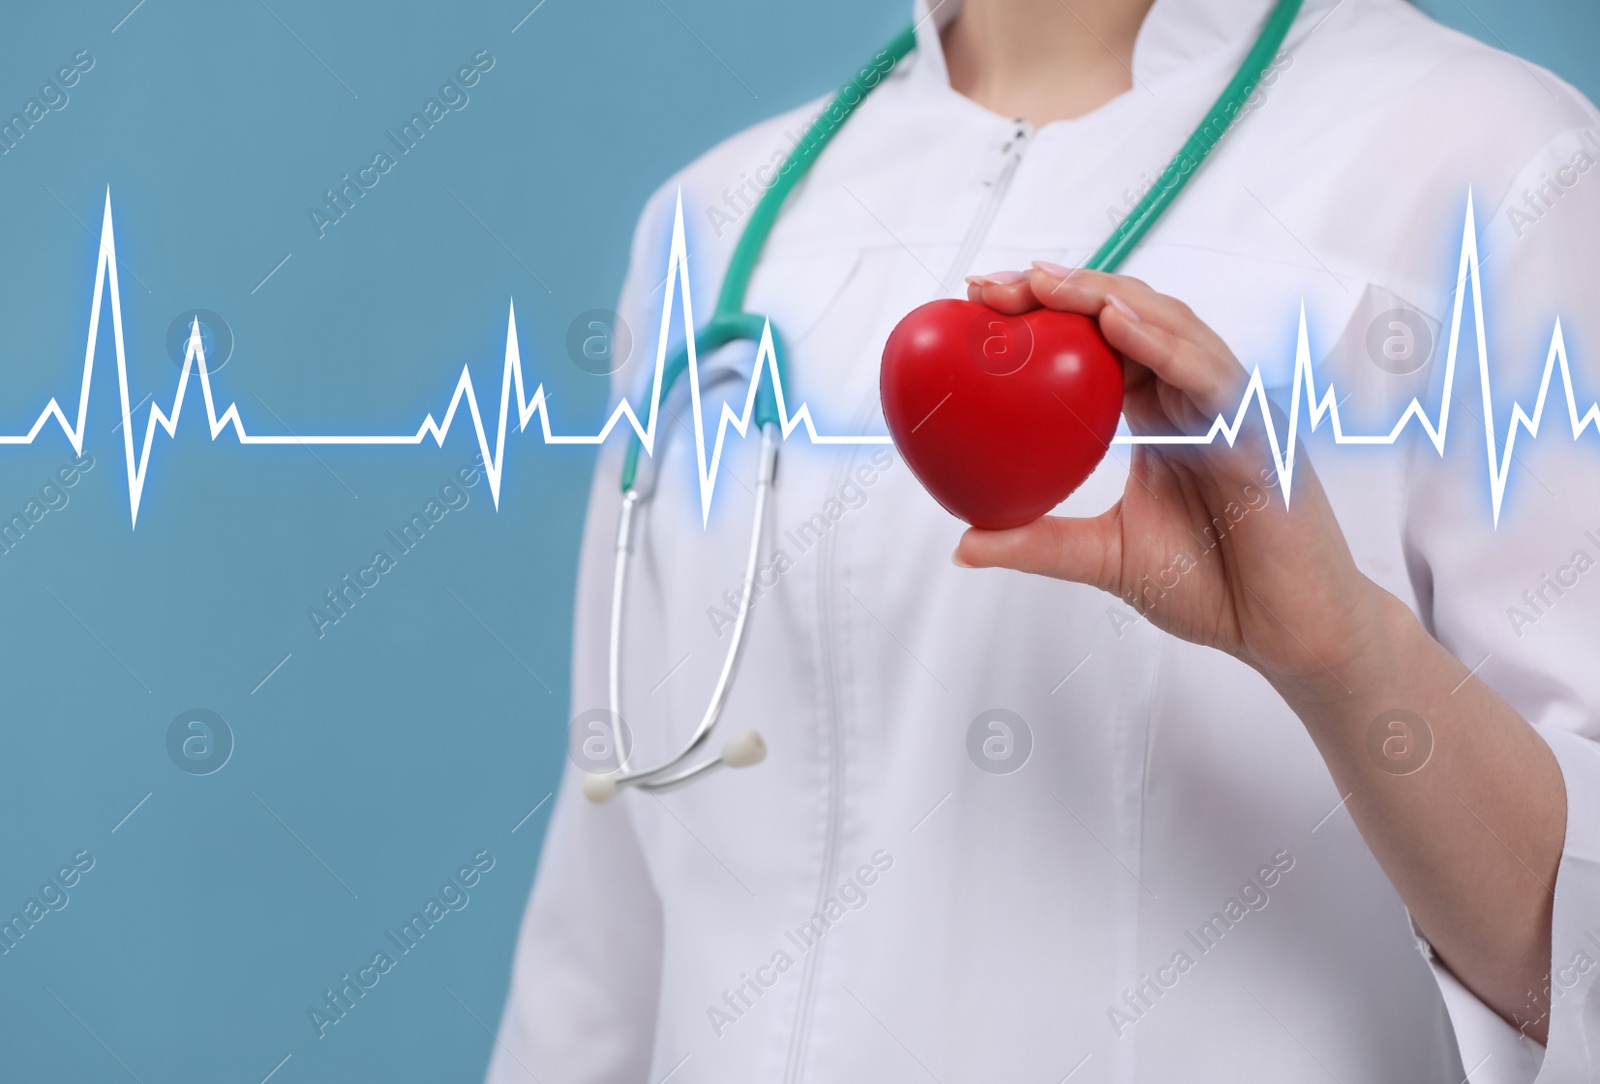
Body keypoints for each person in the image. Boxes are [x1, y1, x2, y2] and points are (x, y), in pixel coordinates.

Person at [489, 0, 1600, 1080]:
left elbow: (1579, 968)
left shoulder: (1485, 168)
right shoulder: (718, 223)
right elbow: (603, 933)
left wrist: (1344, 658)